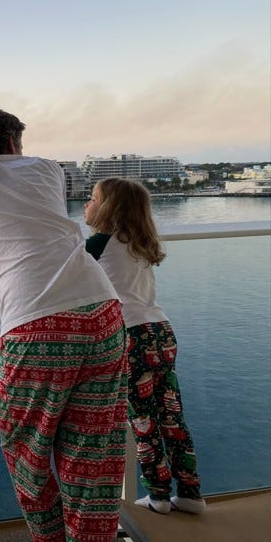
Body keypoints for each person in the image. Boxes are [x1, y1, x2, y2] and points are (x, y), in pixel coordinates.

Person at [0, 108, 128, 542]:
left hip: (38, 325)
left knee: (26, 450)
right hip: (103, 311)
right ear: (14, 142)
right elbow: (27, 211)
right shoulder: (51, 169)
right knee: (91, 451)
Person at [84, 177, 205, 515]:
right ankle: (192, 493)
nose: (86, 205)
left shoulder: (99, 243)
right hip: (161, 331)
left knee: (142, 419)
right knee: (171, 415)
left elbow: (73, 277)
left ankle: (159, 495)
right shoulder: (140, 241)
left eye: (92, 199)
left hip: (131, 335)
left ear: (109, 208)